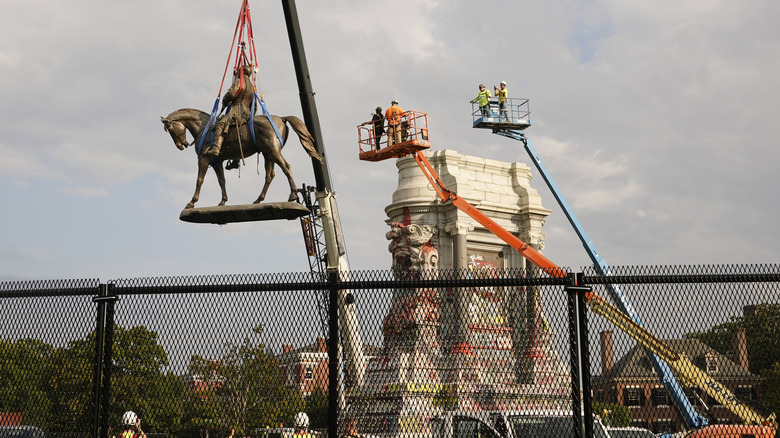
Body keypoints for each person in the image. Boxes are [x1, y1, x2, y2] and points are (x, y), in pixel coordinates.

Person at [205, 63, 256, 156]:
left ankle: (216, 148)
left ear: (243, 72)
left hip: (236, 110)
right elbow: (254, 105)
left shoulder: (239, 82)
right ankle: (235, 160)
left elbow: (231, 94)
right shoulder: (252, 87)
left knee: (220, 124)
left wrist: (225, 101)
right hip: (247, 113)